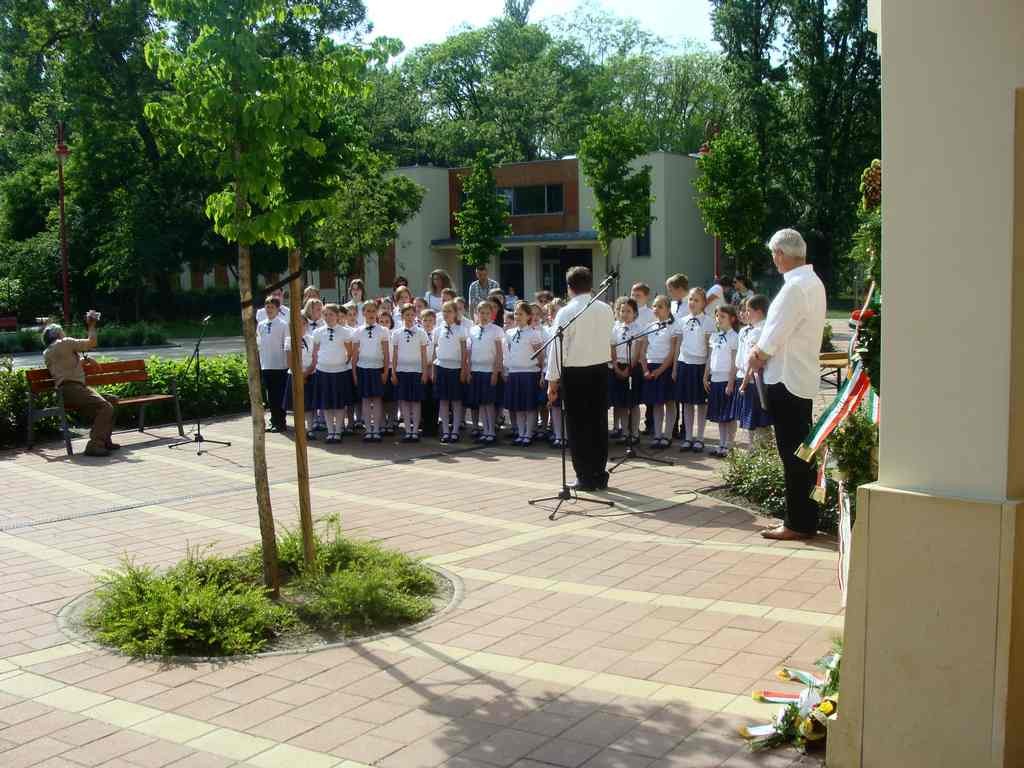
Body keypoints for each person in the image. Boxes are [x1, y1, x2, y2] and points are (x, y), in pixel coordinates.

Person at [747, 229, 827, 541]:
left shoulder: (795, 287)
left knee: (792, 455)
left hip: (786, 379)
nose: (773, 261)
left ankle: (797, 522)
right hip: (800, 377)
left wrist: (757, 355)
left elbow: (773, 336)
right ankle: (805, 518)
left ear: (780, 254)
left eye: (774, 255)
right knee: (801, 454)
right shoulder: (813, 282)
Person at [546, 266, 615, 492]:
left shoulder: (567, 312)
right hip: (600, 370)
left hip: (575, 373)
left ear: (569, 288)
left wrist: (552, 382)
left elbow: (557, 349)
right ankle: (599, 473)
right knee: (598, 423)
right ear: (590, 284)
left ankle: (584, 476)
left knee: (578, 425)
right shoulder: (605, 308)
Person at [41, 313, 116, 457]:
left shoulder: (48, 351)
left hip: (66, 392)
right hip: (74, 389)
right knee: (105, 406)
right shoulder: (64, 343)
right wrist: (92, 325)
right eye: (63, 331)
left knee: (111, 399)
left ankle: (105, 440)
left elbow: (64, 368)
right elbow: (91, 342)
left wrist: (83, 360)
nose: (65, 333)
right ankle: (95, 445)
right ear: (59, 334)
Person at [673, 287, 715, 452]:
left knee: (700, 404)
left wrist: (706, 371)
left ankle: (700, 437)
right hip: (685, 364)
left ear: (704, 303)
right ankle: (688, 437)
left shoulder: (708, 321)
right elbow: (678, 346)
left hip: (700, 366)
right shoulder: (681, 320)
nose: (692, 303)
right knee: (687, 403)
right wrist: (675, 368)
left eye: (696, 300)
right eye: (690, 299)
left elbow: (709, 349)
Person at [310, 304, 354, 443]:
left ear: (337, 315)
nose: (328, 317)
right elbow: (315, 352)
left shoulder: (345, 332)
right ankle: (330, 431)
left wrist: (341, 362)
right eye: (326, 314)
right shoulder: (318, 332)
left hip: (340, 372)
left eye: (331, 314)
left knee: (339, 403)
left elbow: (350, 351)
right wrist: (319, 364)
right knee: (327, 403)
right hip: (323, 371)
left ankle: (338, 431)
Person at [503, 301, 543, 446]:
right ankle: (521, 433)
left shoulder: (533, 334)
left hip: (529, 373)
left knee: (529, 406)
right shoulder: (509, 333)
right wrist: (507, 370)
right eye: (516, 313)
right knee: (519, 407)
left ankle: (528, 434)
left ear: (528, 316)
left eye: (521, 314)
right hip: (515, 372)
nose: (518, 316)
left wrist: (541, 373)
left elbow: (540, 356)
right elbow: (507, 352)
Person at [736, 295, 773, 446]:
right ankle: (759, 451)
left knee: (757, 420)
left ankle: (759, 452)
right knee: (756, 420)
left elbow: (754, 362)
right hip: (755, 380)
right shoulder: (758, 329)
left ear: (758, 311)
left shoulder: (758, 331)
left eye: (749, 310)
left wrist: (744, 382)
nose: (746, 314)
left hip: (755, 381)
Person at [642, 295, 678, 449]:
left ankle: (668, 435)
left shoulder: (672, 327)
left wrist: (661, 370)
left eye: (660, 306)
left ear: (668, 309)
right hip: (651, 367)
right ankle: (657, 435)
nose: (656, 309)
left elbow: (672, 352)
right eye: (654, 306)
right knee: (656, 403)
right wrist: (645, 369)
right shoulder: (649, 326)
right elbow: (643, 351)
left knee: (669, 402)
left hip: (665, 367)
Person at [704, 304, 740, 457]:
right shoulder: (714, 336)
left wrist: (731, 382)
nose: (719, 319)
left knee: (728, 415)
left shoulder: (734, 337)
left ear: (732, 319)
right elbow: (710, 357)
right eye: (717, 316)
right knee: (720, 415)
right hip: (716, 379)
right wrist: (705, 375)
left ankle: (729, 444)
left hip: (727, 380)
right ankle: (721, 443)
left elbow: (734, 362)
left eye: (723, 316)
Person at [351, 301, 390, 443]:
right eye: (368, 311)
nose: (371, 314)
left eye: (374, 311)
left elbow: (386, 353)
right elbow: (354, 355)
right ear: (363, 313)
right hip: (363, 369)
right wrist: (354, 373)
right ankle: (368, 429)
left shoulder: (383, 331)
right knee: (366, 400)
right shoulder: (358, 331)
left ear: (377, 312)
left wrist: (385, 371)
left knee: (378, 400)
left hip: (377, 369)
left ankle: (377, 429)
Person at [391, 304, 430, 443]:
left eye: (412, 315)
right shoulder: (396, 333)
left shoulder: (421, 333)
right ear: (402, 316)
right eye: (406, 315)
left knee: (415, 402)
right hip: (402, 371)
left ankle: (415, 431)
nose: (409, 317)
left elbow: (424, 355)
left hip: (416, 371)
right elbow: (394, 355)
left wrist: (425, 372)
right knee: (404, 402)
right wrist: (394, 373)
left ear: (415, 316)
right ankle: (408, 430)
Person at [466, 301, 504, 444]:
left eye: (487, 313)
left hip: (489, 371)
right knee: (481, 403)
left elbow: (499, 354)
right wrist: (469, 370)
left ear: (492, 314)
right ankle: (485, 430)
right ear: (477, 313)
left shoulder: (496, 330)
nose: (484, 316)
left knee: (489, 403)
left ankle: (491, 432)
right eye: (481, 313)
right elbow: (469, 353)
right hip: (476, 371)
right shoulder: (473, 330)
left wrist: (495, 372)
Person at [609, 297, 644, 446]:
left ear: (635, 313)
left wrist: (629, 369)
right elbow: (612, 347)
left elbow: (637, 351)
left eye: (628, 311)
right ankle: (624, 432)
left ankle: (635, 432)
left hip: (633, 367)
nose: (625, 314)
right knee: (621, 403)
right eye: (622, 311)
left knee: (633, 403)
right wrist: (616, 366)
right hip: (618, 367)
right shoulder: (615, 327)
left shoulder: (638, 328)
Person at [434, 300, 469, 443]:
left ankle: (455, 430)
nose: (446, 314)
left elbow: (464, 352)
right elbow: (435, 351)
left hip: (456, 369)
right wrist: (433, 370)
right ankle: (446, 431)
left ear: (455, 313)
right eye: (444, 311)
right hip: (441, 367)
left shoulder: (461, 330)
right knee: (443, 401)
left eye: (449, 311)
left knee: (456, 401)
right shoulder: (438, 329)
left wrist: (463, 369)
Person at [257, 297, 289, 433]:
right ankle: (273, 421)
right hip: (266, 364)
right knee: (270, 396)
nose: (269, 310)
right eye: (267, 307)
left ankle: (281, 422)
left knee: (279, 395)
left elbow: (286, 345)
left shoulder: (283, 324)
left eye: (272, 307)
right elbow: (259, 343)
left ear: (277, 309)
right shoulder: (261, 324)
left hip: (280, 365)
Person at [283, 311, 316, 438]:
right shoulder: (289, 340)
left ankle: (310, 428)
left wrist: (306, 373)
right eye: (297, 324)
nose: (301, 327)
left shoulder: (312, 339)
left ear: (306, 325)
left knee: (309, 404)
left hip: (309, 375)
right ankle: (300, 428)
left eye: (303, 324)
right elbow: (290, 361)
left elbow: (314, 359)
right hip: (295, 376)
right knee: (298, 404)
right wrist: (299, 375)